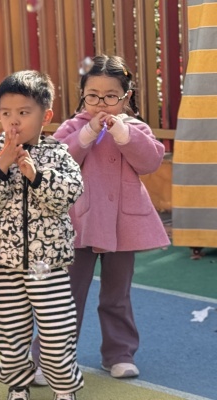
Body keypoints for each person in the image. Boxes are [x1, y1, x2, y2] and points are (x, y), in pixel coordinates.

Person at [36, 55, 168, 381]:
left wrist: (123, 134)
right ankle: (51, 358)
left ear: (126, 97)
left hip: (124, 227)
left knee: (117, 295)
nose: (101, 104)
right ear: (82, 95)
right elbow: (54, 162)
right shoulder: (72, 127)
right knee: (66, 296)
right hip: (78, 225)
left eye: (111, 96)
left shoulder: (135, 128)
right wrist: (85, 135)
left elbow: (150, 161)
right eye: (93, 96)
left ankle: (119, 353)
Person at [0, 70, 85, 400]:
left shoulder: (57, 154)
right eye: (6, 113)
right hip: (4, 265)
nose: (14, 121)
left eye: (23, 112)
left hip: (49, 265)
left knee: (57, 332)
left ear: (45, 116)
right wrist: (1, 166)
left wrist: (36, 175)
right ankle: (18, 386)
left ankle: (64, 389)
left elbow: (70, 193)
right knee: (9, 334)